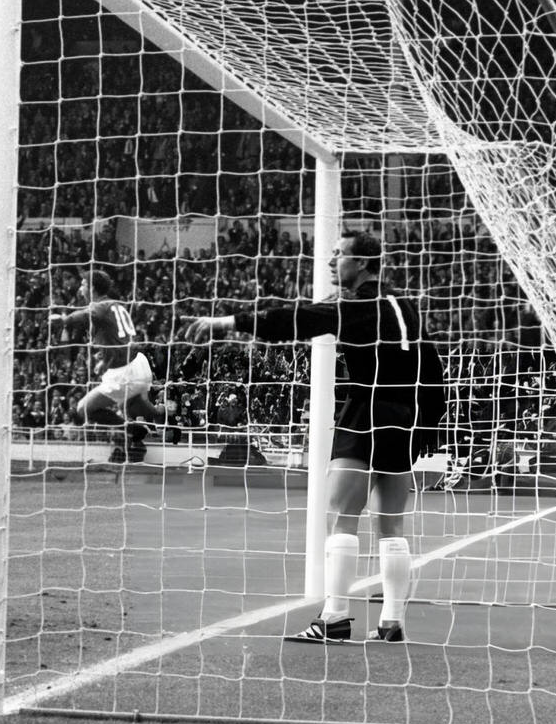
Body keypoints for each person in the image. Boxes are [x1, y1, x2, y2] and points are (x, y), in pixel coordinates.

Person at [183, 231, 445, 643]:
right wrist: (428, 423)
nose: (329, 262)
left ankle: (335, 617)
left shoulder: (359, 305)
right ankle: (392, 622)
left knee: (341, 515)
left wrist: (231, 321)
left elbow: (302, 319)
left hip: (367, 409)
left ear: (361, 264)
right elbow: (430, 362)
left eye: (337, 254)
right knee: (392, 526)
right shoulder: (404, 305)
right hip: (406, 417)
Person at [49, 268, 174, 462]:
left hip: (125, 370)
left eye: (83, 284)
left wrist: (64, 320)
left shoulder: (101, 306)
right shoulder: (117, 305)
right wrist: (103, 361)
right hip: (139, 362)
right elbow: (116, 337)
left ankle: (131, 433)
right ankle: (162, 412)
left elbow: (83, 316)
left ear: (92, 288)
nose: (80, 288)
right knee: (131, 403)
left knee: (83, 409)